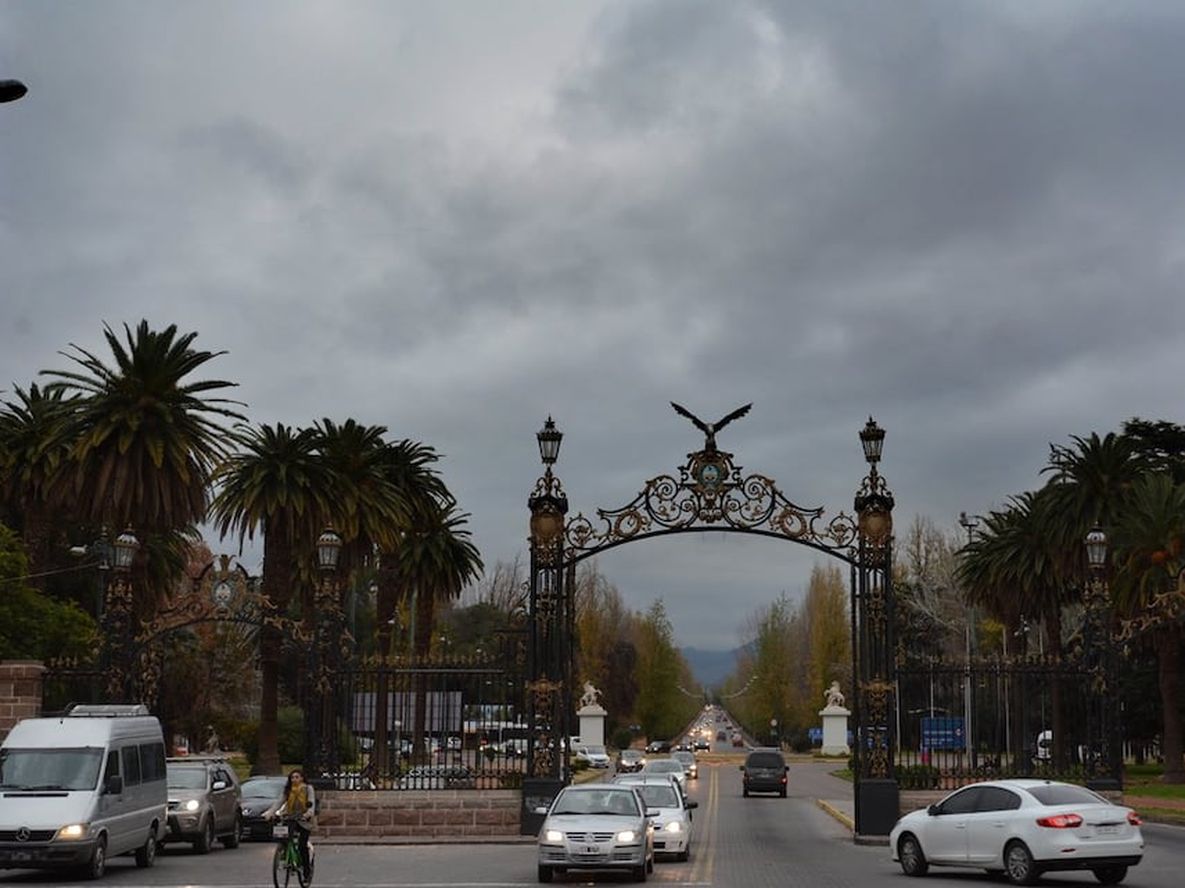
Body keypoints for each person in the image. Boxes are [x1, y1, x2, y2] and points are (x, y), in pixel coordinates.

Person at [272, 769, 316, 880]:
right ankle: (286, 858)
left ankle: (306, 870)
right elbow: (279, 802)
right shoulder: (288, 790)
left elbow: (311, 803)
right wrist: (270, 812)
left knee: (302, 845)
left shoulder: (308, 788)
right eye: (292, 777)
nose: (294, 779)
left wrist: (308, 814)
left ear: (302, 778)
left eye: (297, 777)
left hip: (304, 820)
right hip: (291, 817)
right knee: (284, 837)